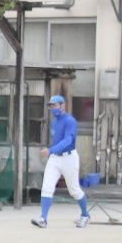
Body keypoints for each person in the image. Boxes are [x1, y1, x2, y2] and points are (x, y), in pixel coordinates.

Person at [34, 93, 89, 229]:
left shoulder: (70, 121)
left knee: (74, 190)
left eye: (55, 105)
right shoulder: (54, 122)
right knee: (47, 187)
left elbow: (68, 140)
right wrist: (52, 152)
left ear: (62, 106)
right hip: (55, 158)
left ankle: (85, 215)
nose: (53, 108)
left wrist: (50, 150)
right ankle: (43, 218)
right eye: (51, 106)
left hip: (69, 158)